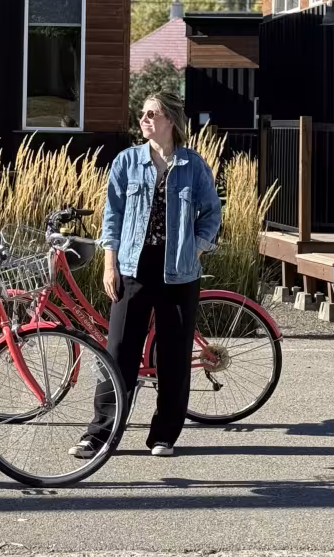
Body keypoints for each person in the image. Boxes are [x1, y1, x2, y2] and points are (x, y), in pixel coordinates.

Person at [69, 91, 222, 458]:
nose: (144, 119)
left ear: (170, 120)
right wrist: (110, 264)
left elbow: (212, 214)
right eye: (142, 114)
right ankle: (100, 434)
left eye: (152, 113)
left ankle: (164, 435)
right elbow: (113, 217)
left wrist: (195, 248)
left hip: (179, 272)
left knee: (174, 354)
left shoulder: (192, 165)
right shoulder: (126, 162)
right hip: (133, 267)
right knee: (118, 351)